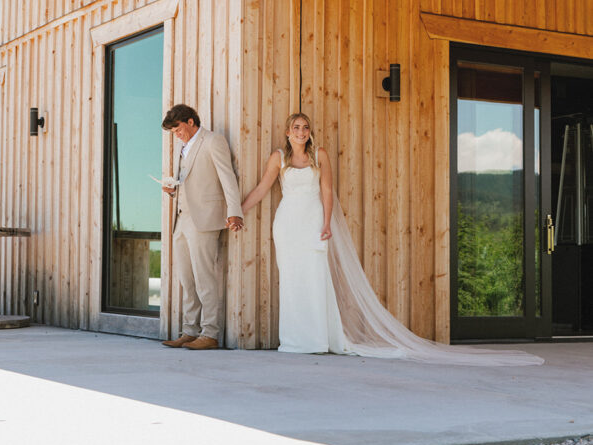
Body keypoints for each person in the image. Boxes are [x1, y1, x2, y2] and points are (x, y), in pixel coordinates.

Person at [242, 112, 543, 366]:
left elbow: (327, 192)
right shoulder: (278, 158)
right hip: (287, 225)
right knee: (293, 280)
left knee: (316, 278)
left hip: (313, 223)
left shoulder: (319, 156)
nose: (301, 132)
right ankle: (295, 340)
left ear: (310, 133)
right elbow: (261, 189)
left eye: (305, 127)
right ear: (287, 132)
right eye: (296, 127)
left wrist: (326, 223)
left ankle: (318, 338)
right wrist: (239, 211)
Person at [161, 104, 243, 351]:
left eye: (178, 128)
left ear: (190, 121)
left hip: (205, 219)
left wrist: (234, 211)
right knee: (187, 279)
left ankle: (210, 333)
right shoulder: (183, 147)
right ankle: (190, 331)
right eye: (173, 131)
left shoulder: (213, 141)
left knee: (204, 278)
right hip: (182, 219)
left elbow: (228, 177)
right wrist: (174, 189)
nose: (176, 134)